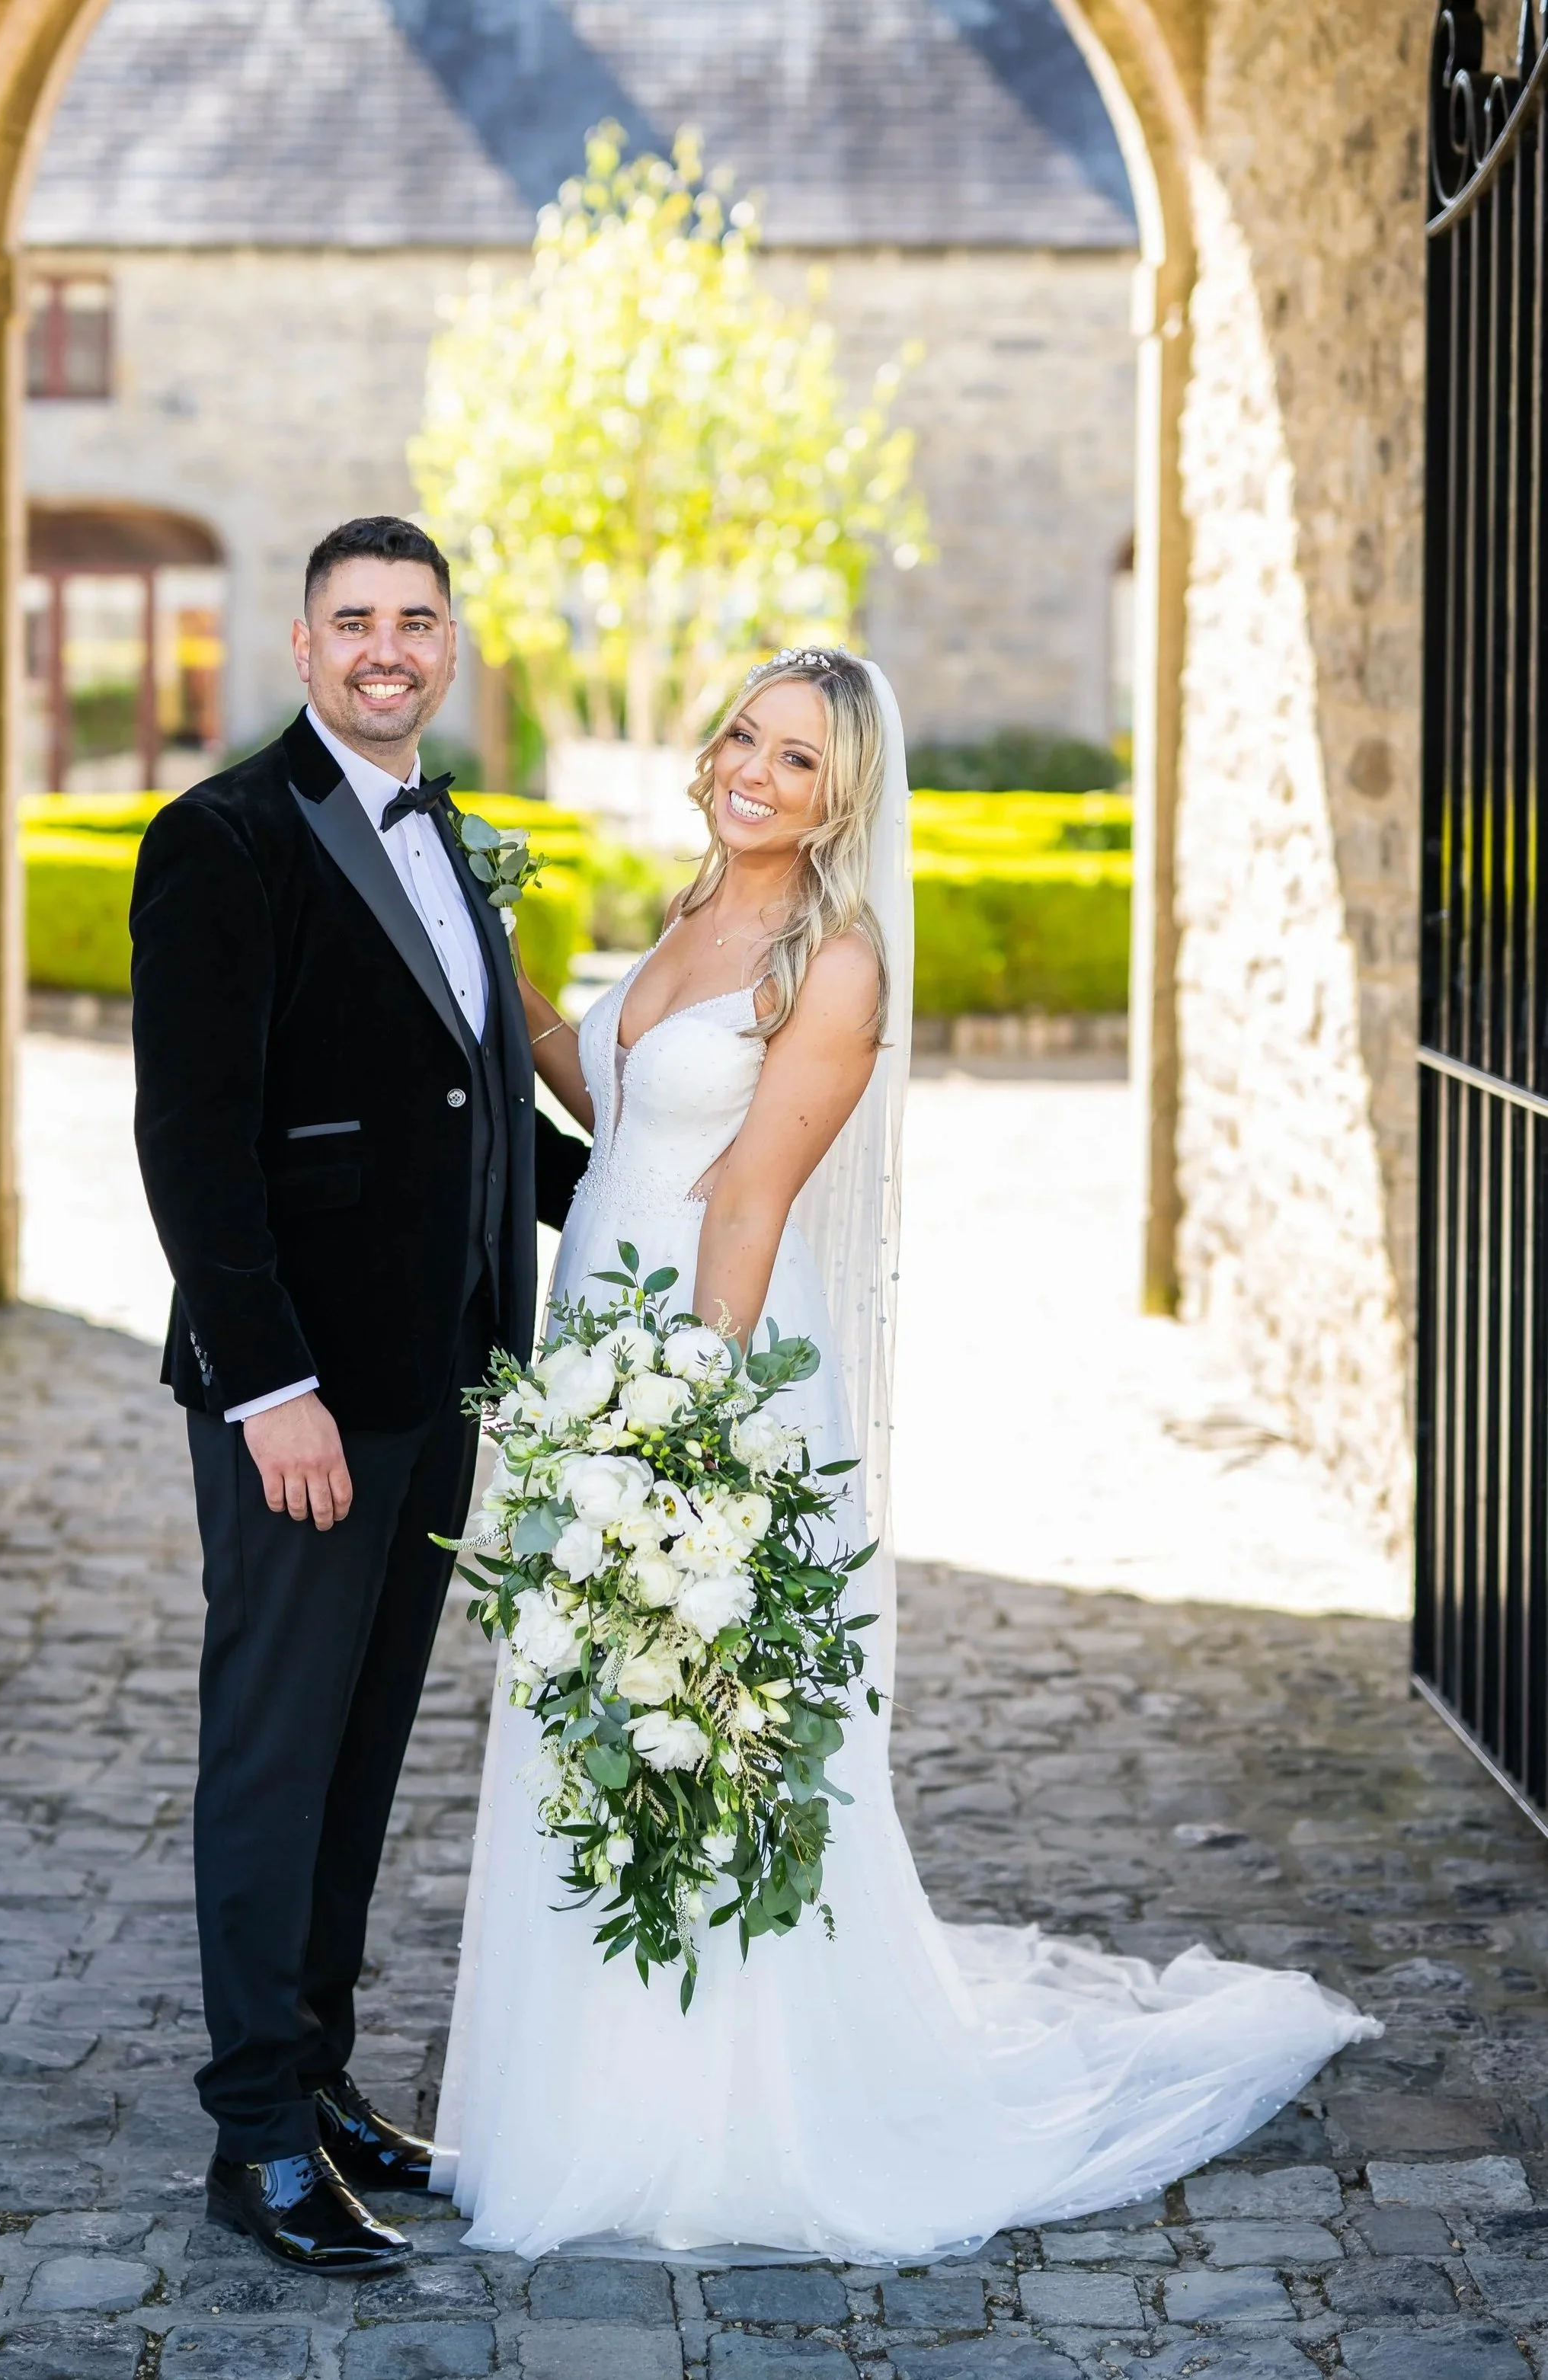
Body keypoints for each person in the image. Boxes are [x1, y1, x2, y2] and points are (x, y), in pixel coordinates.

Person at [433, 646, 1377, 2259]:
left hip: (696, 1375)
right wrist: (496, 952)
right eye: (742, 734)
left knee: (695, 1731)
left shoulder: (833, 962)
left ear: (842, 795)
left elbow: (743, 1196)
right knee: (590, 1725)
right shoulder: (686, 911)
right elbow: (612, 1094)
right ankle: (578, 2097)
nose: (752, 769)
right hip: (604, 1343)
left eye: (795, 758)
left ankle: (709, 2126)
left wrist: (673, 1441)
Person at [130, 517, 587, 2273]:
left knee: (358, 1750)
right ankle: (252, 2133)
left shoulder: (455, 836)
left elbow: (462, 1113)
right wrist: (272, 1387)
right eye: (353, 621)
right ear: (301, 647)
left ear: (448, 645)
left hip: (445, 1378)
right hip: (305, 1399)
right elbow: (195, 1144)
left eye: (416, 619)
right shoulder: (223, 838)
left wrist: (639, 1187)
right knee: (268, 1751)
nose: (386, 647)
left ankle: (316, 2078)